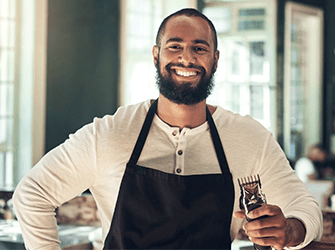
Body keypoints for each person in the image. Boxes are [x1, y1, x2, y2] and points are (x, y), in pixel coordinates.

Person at [13, 8, 322, 250]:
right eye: (175, 46)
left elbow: (306, 209)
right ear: (156, 54)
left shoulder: (247, 137)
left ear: (215, 60)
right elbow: (31, 193)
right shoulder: (109, 135)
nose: (186, 57)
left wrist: (290, 230)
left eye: (199, 48)